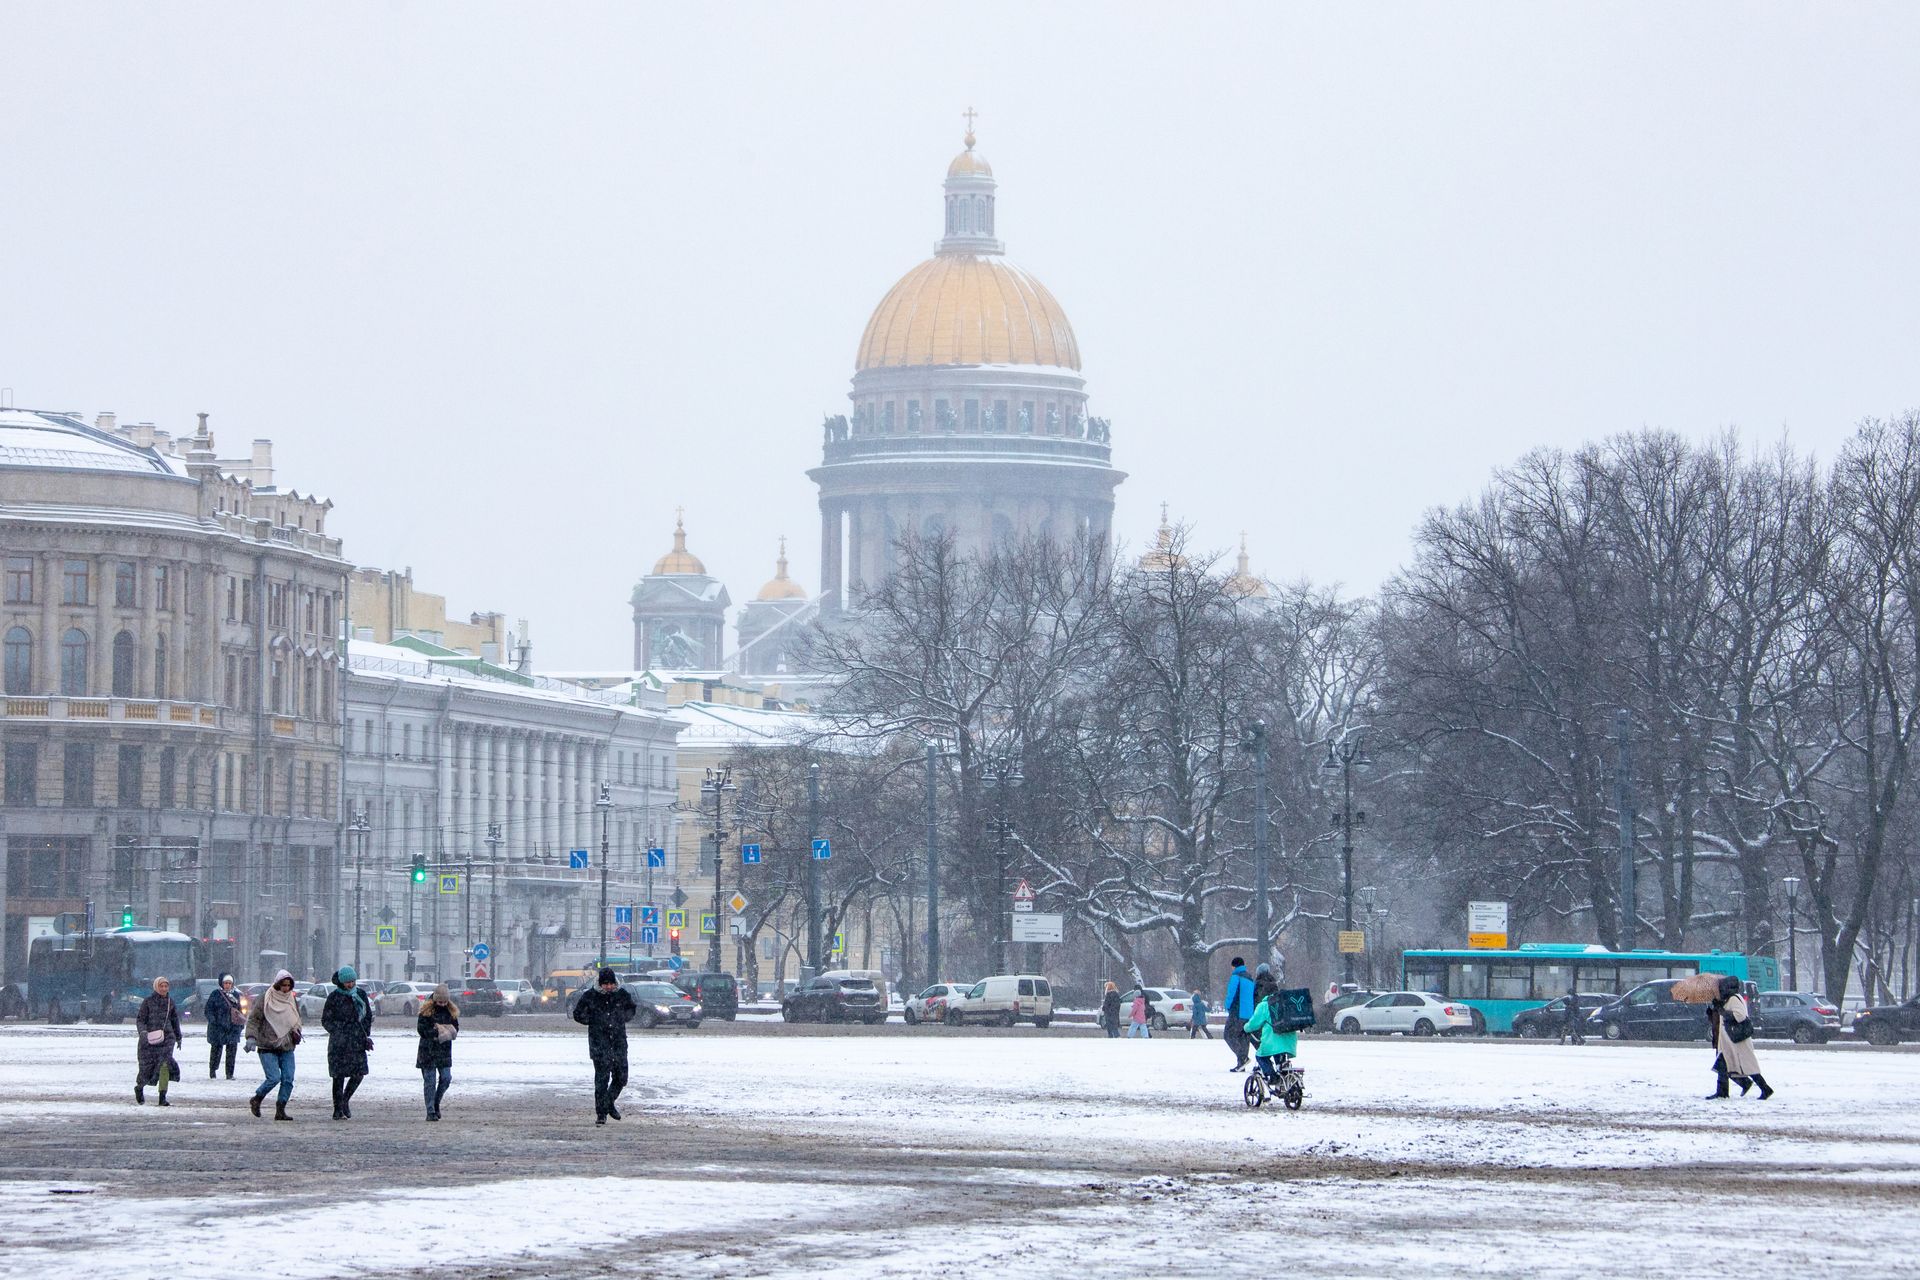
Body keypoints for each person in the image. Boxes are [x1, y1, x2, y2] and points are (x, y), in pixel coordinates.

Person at [572, 967, 637, 1124]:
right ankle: (601, 1114)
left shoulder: (622, 995)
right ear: (600, 984)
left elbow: (631, 1010)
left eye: (611, 984)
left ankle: (608, 1103)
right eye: (605, 984)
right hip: (598, 1043)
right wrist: (593, 1021)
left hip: (619, 1042)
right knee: (601, 1079)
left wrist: (622, 1017)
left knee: (621, 1077)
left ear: (615, 983)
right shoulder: (590, 996)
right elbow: (578, 1014)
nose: (608, 987)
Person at [244, 969, 303, 1120]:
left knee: (288, 1079)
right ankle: (257, 1098)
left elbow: (295, 1018)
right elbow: (254, 1019)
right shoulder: (266, 998)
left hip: (287, 1045)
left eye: (289, 985)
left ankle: (280, 1109)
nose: (286, 988)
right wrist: (251, 1037)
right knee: (273, 1078)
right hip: (267, 1045)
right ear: (277, 984)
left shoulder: (291, 999)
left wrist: (297, 1031)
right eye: (283, 985)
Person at [322, 966, 375, 1120]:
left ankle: (345, 1100)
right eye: (347, 982)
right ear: (341, 982)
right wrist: (338, 1031)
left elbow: (367, 1016)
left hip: (357, 1041)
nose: (351, 985)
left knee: (359, 1073)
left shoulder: (360, 995)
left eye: (353, 981)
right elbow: (326, 1020)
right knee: (338, 1077)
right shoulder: (334, 997)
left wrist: (365, 1033)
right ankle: (337, 1108)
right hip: (339, 1043)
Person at [1709, 978, 1772, 1100]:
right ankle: (1723, 1092)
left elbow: (1740, 1016)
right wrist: (1715, 1009)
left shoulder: (1734, 999)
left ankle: (1765, 1089)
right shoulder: (1728, 999)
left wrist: (1722, 1011)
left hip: (1737, 1041)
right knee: (1723, 1066)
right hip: (1729, 1041)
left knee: (1748, 1066)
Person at [134, 976, 183, 1106]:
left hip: (167, 1039)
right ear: (156, 987)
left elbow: (174, 1021)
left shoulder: (170, 1003)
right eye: (161, 986)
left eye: (166, 986)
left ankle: (162, 1096)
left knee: (164, 1065)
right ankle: (139, 1087)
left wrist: (178, 1037)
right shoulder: (148, 1002)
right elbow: (140, 1020)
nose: (164, 988)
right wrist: (143, 1033)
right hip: (149, 1040)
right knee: (146, 1068)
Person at [416, 983, 458, 1121]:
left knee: (446, 1078)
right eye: (440, 1001)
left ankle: (436, 1102)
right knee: (430, 1081)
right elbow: (422, 1030)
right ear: (434, 999)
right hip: (427, 1051)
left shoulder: (451, 1011)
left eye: (445, 1002)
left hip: (444, 1051)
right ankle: (430, 1111)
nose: (442, 1004)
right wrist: (437, 1032)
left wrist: (447, 1031)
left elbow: (456, 1028)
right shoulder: (425, 1011)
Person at [1243, 986, 1301, 1085]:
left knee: (1260, 1056)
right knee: (1280, 1059)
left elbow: (1254, 1024)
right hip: (1290, 1043)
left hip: (1271, 1042)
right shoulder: (1288, 1003)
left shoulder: (1264, 1005)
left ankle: (1272, 1076)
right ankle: (1284, 1083)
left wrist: (1245, 1028)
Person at [205, 973, 244, 1079]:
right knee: (216, 1050)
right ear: (221, 983)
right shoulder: (216, 994)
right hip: (218, 1027)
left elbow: (239, 1010)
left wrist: (240, 1024)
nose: (227, 985)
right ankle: (213, 1071)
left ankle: (229, 1073)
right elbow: (208, 1009)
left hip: (232, 1027)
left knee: (232, 1051)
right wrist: (213, 1021)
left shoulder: (235, 995)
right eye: (226, 983)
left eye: (229, 983)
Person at [1223, 957, 1255, 1071]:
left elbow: (1231, 994)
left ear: (1234, 966)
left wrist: (1227, 1006)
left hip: (1237, 1011)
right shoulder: (1250, 978)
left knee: (1228, 1035)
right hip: (1248, 1013)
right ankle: (1241, 1064)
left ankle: (1243, 1058)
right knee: (1243, 1037)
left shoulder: (1236, 977)